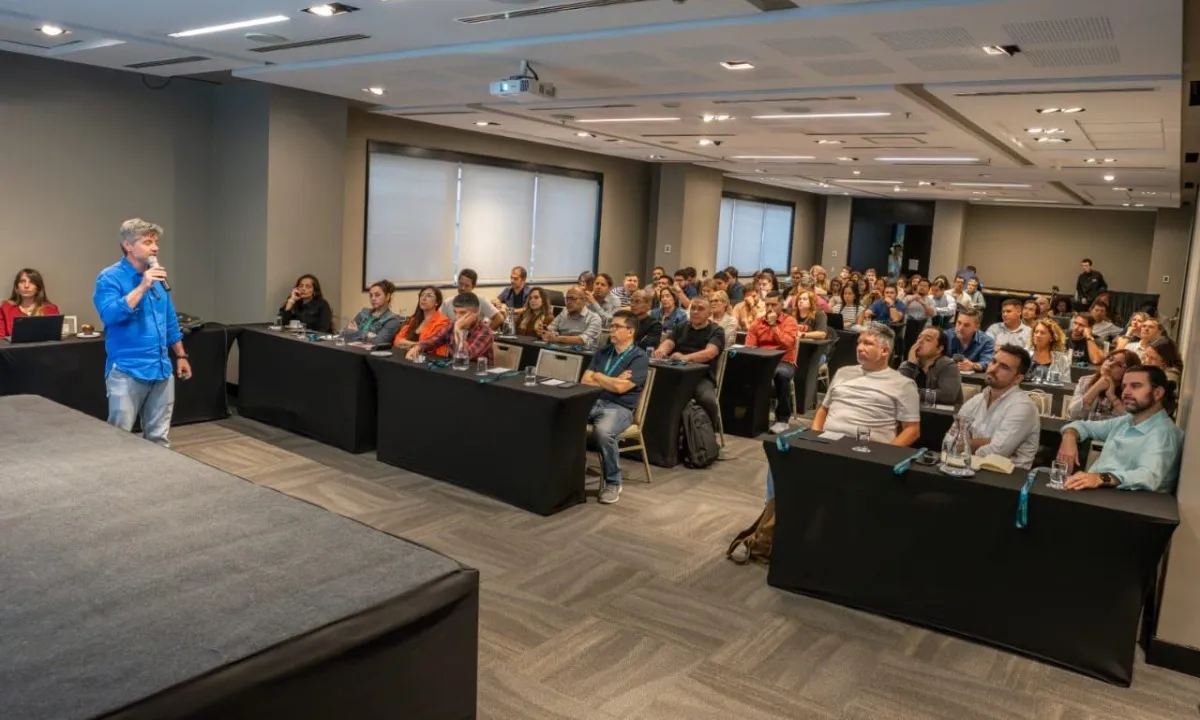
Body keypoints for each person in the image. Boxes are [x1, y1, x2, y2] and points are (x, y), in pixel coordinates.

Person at [93, 218, 191, 447]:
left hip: (161, 368)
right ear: (128, 245)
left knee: (159, 436)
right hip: (127, 370)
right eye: (147, 242)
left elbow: (169, 320)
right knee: (120, 436)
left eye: (156, 242)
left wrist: (181, 355)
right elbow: (110, 315)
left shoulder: (157, 277)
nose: (155, 247)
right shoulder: (109, 277)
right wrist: (142, 286)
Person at [1057, 366, 1182, 493]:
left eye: (1135, 386)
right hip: (1098, 495)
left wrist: (1100, 478)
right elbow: (1084, 426)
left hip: (1126, 506)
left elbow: (1147, 476)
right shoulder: (1127, 421)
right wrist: (1069, 436)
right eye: (1124, 386)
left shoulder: (1163, 433)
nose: (1125, 393)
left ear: (1157, 393)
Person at [812, 323, 921, 445]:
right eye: (859, 342)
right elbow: (823, 409)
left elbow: (912, 430)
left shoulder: (903, 384)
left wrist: (887, 454)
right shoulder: (843, 372)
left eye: (868, 343)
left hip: (868, 449)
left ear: (884, 351)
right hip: (828, 441)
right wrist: (815, 437)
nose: (859, 348)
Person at [583, 310, 650, 505]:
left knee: (603, 432)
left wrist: (599, 376)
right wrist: (610, 381)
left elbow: (621, 388)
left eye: (616, 326)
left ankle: (613, 482)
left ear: (630, 331)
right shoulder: (603, 352)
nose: (611, 330)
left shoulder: (639, 357)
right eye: (611, 326)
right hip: (592, 401)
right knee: (565, 419)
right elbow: (584, 380)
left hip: (619, 408)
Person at [950, 345, 1040, 469]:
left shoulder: (1023, 407)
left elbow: (997, 452)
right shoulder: (976, 400)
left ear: (1017, 378)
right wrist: (987, 442)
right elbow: (950, 441)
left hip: (1006, 480)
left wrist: (966, 444)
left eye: (1004, 367)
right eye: (993, 362)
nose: (993, 369)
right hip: (968, 470)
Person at [653, 296, 724, 426]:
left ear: (709, 313)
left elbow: (710, 352)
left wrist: (685, 358)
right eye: (693, 308)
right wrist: (661, 350)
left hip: (701, 376)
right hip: (676, 373)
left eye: (700, 309)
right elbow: (669, 342)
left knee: (706, 398)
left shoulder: (716, 331)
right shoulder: (681, 326)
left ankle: (710, 429)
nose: (695, 312)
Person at [746, 291, 800, 434]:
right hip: (762, 361)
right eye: (767, 304)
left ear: (781, 305)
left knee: (781, 375)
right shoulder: (757, 323)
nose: (770, 308)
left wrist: (773, 326)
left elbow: (787, 344)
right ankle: (748, 414)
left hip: (784, 361)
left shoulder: (790, 321)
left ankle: (782, 419)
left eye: (774, 304)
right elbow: (750, 346)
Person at [406, 291, 494, 362]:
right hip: (455, 373)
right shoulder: (453, 325)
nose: (458, 317)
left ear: (476, 312)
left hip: (476, 378)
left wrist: (459, 330)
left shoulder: (485, 332)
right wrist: (418, 347)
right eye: (455, 312)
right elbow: (434, 340)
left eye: (463, 313)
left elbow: (466, 356)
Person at [1068, 348, 1138, 420]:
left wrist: (1113, 398)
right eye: (1110, 359)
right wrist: (1095, 389)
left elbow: (1133, 421)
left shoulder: (1131, 393)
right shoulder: (1085, 381)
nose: (1110, 364)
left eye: (1119, 365)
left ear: (1128, 372)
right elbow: (1073, 415)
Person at [900, 327, 963, 405]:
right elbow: (897, 390)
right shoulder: (908, 365)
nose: (920, 341)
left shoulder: (949, 366)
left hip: (941, 415)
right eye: (919, 337)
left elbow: (948, 396)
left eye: (928, 339)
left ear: (939, 349)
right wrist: (910, 365)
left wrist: (912, 393)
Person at [0, 269, 60, 338]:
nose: (26, 286)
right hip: (13, 348)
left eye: (32, 282)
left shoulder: (51, 309)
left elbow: (54, 339)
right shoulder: (6, 308)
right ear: (16, 287)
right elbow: (1, 339)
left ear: (38, 288)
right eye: (22, 282)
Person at [343, 280, 401, 346]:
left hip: (372, 354)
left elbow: (378, 342)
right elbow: (345, 333)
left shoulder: (392, 320)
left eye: (377, 295)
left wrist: (356, 332)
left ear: (387, 297)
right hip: (353, 350)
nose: (373, 298)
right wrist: (367, 334)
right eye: (371, 295)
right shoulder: (363, 313)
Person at [394, 286, 451, 353]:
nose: (423, 298)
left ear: (437, 302)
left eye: (429, 296)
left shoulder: (443, 322)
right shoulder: (413, 319)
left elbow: (431, 347)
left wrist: (408, 344)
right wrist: (419, 345)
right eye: (422, 295)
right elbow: (397, 341)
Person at [944, 307, 995, 372]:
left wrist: (973, 366)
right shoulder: (946, 336)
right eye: (959, 323)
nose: (960, 328)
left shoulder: (986, 341)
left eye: (966, 325)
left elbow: (988, 363)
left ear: (977, 327)